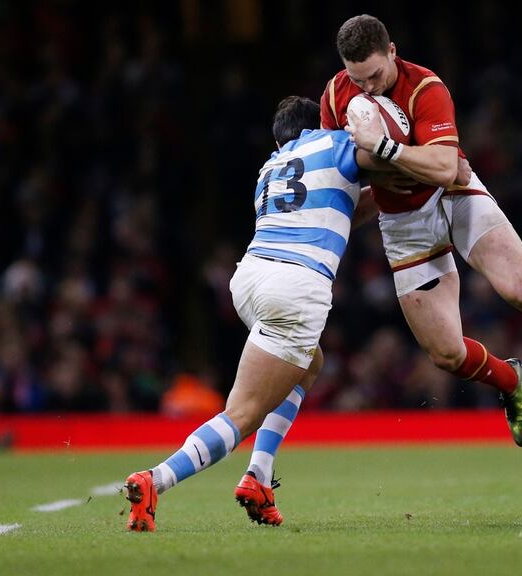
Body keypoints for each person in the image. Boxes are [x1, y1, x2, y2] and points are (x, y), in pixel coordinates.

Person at [322, 14, 522, 448]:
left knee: (520, 290)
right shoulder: (336, 96)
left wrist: (383, 150)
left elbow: (447, 169)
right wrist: (395, 167)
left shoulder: (427, 88)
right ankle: (510, 381)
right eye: (358, 78)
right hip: (403, 223)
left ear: (392, 51)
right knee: (444, 354)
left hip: (456, 196)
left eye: (374, 75)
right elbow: (345, 176)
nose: (367, 88)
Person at [123, 96, 388, 531]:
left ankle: (259, 476)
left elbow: (337, 209)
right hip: (296, 285)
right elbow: (381, 159)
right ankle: (156, 479)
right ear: (317, 125)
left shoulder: (269, 168)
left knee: (308, 362)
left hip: (249, 279)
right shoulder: (334, 143)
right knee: (242, 414)